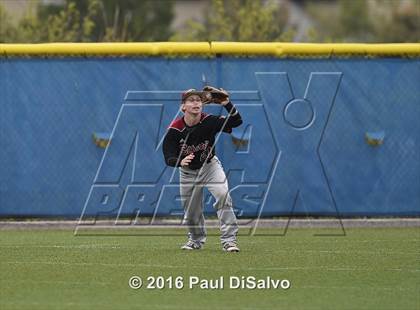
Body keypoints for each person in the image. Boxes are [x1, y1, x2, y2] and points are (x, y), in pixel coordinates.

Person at [162, 87, 243, 252]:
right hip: (187, 172)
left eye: (198, 100)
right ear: (183, 107)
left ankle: (229, 240)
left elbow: (236, 122)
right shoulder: (175, 129)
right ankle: (195, 240)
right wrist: (179, 161)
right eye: (191, 100)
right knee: (192, 210)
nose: (196, 102)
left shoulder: (209, 121)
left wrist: (227, 104)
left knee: (223, 195)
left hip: (210, 166)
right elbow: (168, 155)